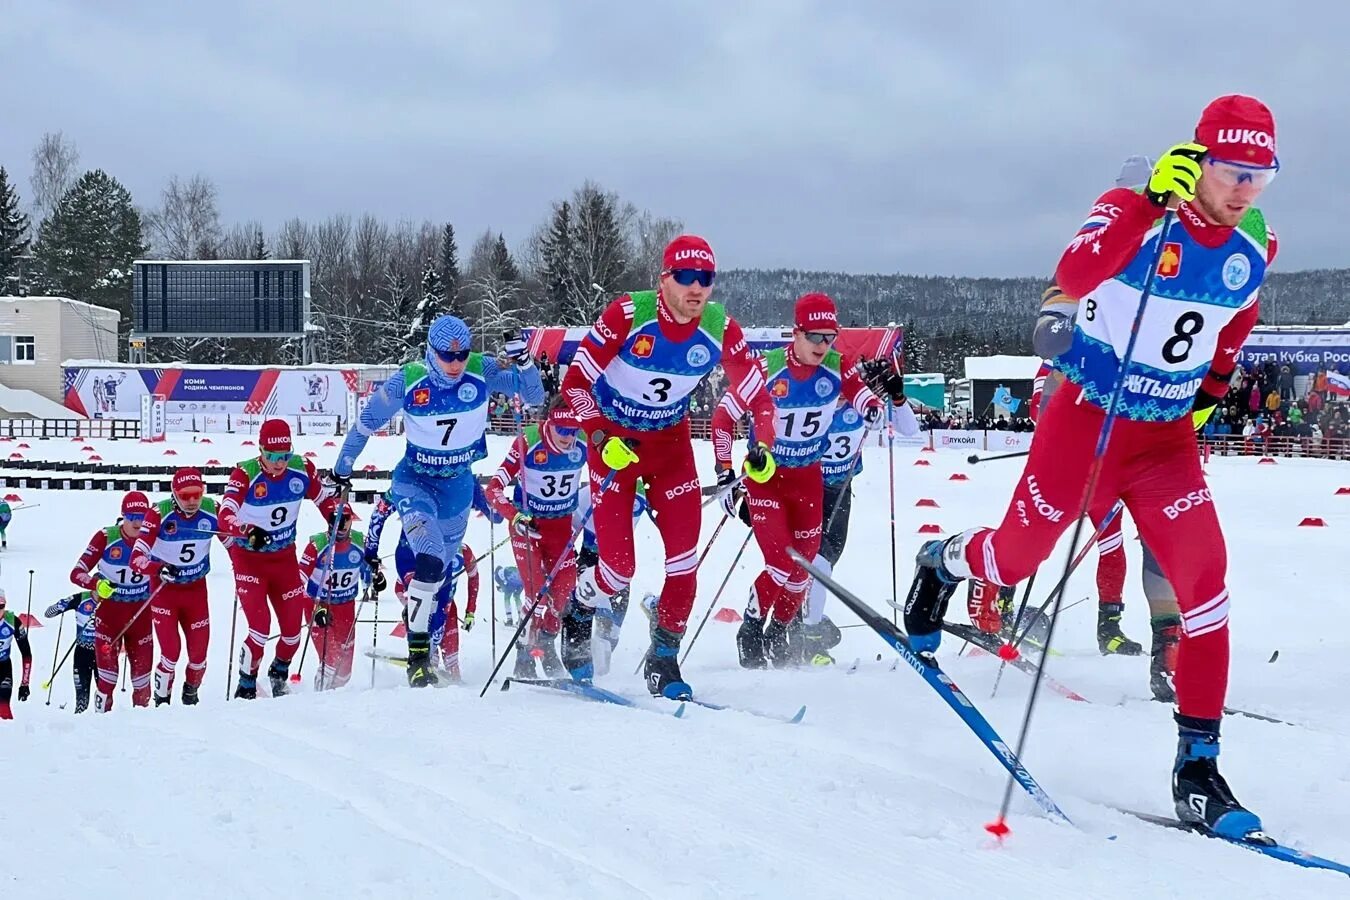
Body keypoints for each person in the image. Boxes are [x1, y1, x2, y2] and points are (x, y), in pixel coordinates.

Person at [903, 95, 1280, 839]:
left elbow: (1233, 327)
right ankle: (942, 561)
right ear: (1199, 160)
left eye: (1261, 177)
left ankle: (1197, 769)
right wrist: (1144, 202)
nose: (1243, 191)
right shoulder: (1137, 209)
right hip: (1088, 424)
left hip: (1164, 444)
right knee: (1014, 560)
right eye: (1233, 172)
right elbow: (1073, 274)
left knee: (1206, 585)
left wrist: (1205, 396)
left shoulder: (1249, 250)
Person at [553, 234, 776, 698]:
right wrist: (596, 433)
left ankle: (664, 656)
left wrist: (762, 446)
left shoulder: (719, 327)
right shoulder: (628, 315)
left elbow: (758, 392)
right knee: (617, 570)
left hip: (670, 449)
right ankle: (578, 607)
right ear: (664, 279)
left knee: (684, 560)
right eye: (686, 277)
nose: (696, 288)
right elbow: (574, 383)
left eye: (706, 279)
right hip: (614, 443)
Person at [331, 316, 542, 687]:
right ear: (431, 352)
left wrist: (524, 361)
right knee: (427, 560)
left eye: (461, 354)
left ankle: (428, 645)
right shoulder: (409, 379)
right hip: (415, 483)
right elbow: (367, 421)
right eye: (447, 356)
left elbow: (534, 396)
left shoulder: (481, 369)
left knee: (440, 577)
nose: (456, 363)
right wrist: (343, 467)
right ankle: (417, 658)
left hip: (458, 487)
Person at [712, 293, 884, 668]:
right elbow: (724, 418)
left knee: (804, 566)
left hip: (809, 476)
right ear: (796, 333)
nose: (823, 345)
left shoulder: (839, 366)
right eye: (815, 336)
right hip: (767, 478)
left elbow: (859, 394)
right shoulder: (766, 368)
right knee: (780, 561)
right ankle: (752, 628)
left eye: (830, 336)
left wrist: (871, 405)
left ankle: (780, 631)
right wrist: (724, 470)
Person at [797, 357, 918, 665]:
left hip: (840, 492)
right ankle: (808, 637)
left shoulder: (862, 407)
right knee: (818, 564)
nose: (837, 394)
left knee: (827, 563)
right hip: (807, 491)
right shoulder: (810, 404)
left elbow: (909, 429)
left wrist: (898, 395)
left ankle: (803, 621)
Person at [218, 419, 340, 699]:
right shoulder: (244, 474)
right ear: (260, 450)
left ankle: (278, 674)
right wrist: (246, 530)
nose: (278, 463)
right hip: (249, 559)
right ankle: (246, 682)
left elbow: (323, 499)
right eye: (271, 456)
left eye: (284, 455)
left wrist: (334, 516)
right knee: (260, 630)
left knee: (292, 633)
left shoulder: (301, 468)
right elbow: (225, 515)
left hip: (284, 558)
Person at [485, 401, 587, 679]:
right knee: (536, 592)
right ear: (550, 423)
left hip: (561, 529)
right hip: (528, 527)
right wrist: (513, 515)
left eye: (574, 429)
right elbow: (493, 488)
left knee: (565, 586)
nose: (568, 436)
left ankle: (546, 644)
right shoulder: (528, 440)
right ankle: (524, 652)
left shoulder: (586, 440)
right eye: (562, 429)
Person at [131, 467, 222, 706]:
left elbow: (233, 540)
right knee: (171, 653)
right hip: (165, 592)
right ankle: (162, 700)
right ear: (174, 494)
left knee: (199, 657)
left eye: (197, 494)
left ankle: (191, 692)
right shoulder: (158, 513)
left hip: (196, 590)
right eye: (185, 496)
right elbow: (136, 557)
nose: (192, 501)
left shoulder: (211, 509)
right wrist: (157, 568)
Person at [70, 491, 157, 711]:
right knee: (107, 680)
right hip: (110, 618)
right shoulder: (106, 537)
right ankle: (102, 724)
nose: (138, 522)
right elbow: (77, 572)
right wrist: (96, 585)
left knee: (142, 681)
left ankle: (144, 727)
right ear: (123, 517)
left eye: (142, 516)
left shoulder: (154, 538)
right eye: (132, 517)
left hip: (141, 617)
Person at [574, 478, 654, 675]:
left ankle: (600, 665)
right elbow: (569, 524)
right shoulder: (589, 493)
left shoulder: (641, 490)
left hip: (619, 562)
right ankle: (580, 660)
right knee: (599, 615)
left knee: (612, 633)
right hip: (591, 560)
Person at [298, 508, 372, 690]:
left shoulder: (361, 542)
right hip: (320, 606)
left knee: (344, 671)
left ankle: (334, 698)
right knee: (330, 660)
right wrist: (316, 608)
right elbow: (299, 579)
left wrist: (375, 580)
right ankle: (319, 697)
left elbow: (369, 569)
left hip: (346, 608)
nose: (341, 523)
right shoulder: (318, 545)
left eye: (346, 519)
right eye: (336, 519)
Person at [43, 590, 99, 713]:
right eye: (97, 588)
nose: (100, 593)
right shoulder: (80, 598)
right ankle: (79, 723)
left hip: (103, 655)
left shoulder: (112, 599)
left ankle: (107, 723)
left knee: (104, 693)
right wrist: (60, 606)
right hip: (82, 652)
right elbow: (48, 614)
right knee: (81, 697)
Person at [0, 589, 33, 719]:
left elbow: (26, 654)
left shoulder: (13, 622)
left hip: (4, 668)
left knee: (4, 711)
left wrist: (25, 683)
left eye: (1, 606)